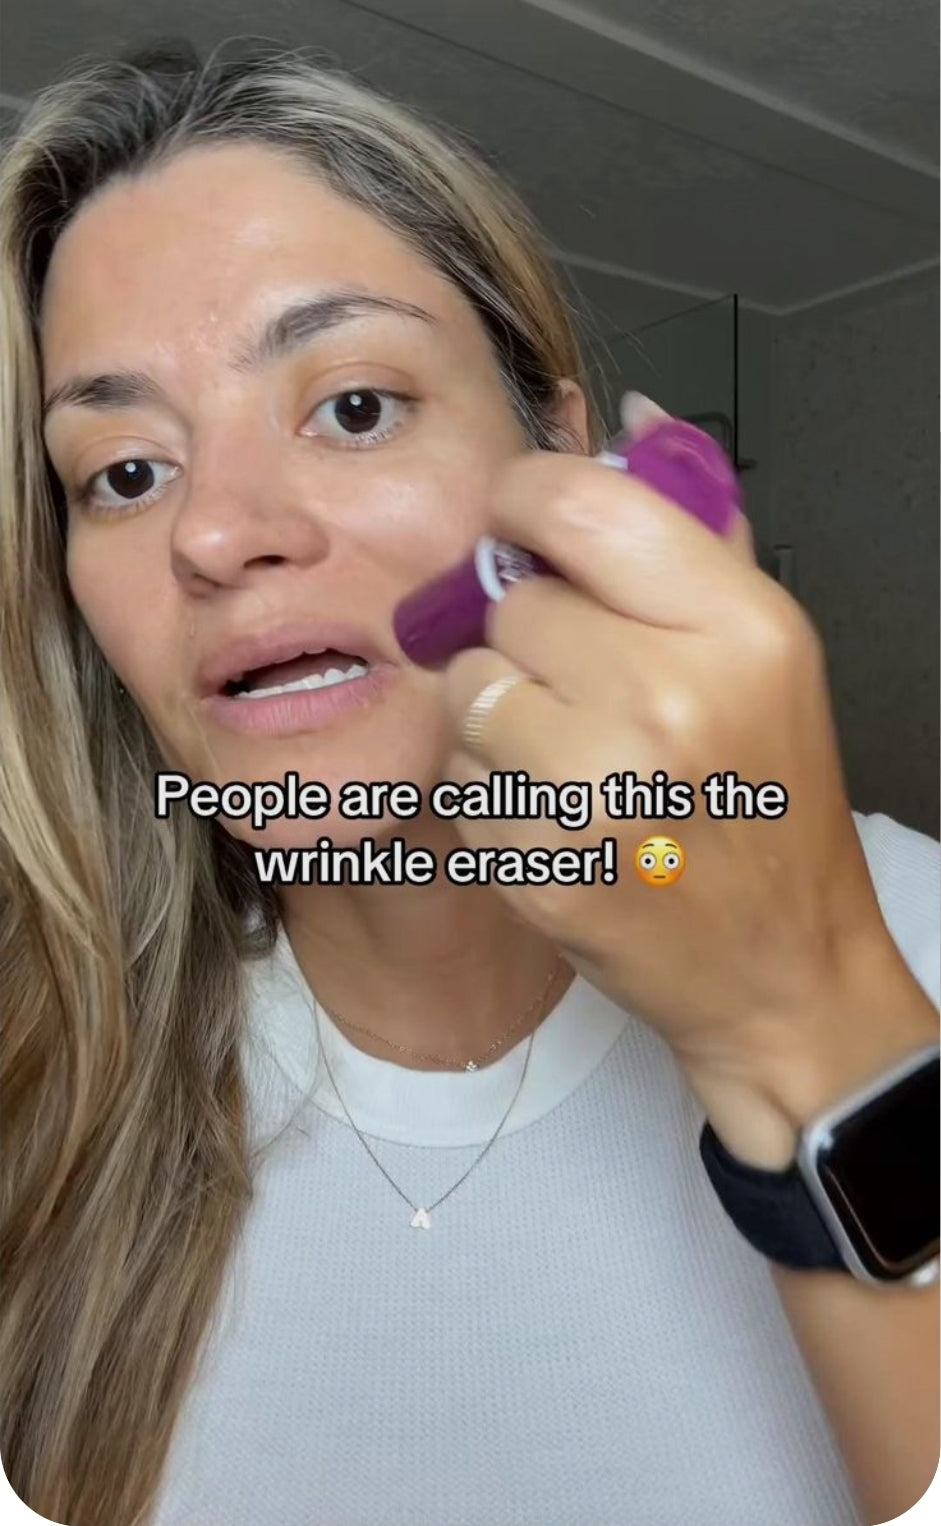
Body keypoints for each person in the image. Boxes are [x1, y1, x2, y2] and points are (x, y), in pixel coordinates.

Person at [0, 39, 937, 1526]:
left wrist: (801, 1013)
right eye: (124, 470)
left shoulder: (919, 926)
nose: (214, 534)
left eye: (353, 407)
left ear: (560, 453)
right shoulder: (40, 1079)